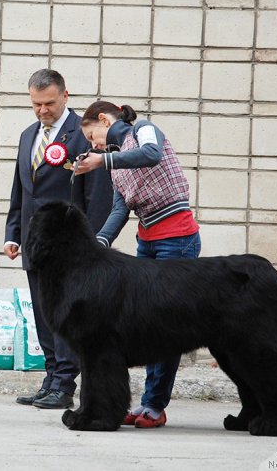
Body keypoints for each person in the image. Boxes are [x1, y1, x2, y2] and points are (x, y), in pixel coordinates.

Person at [75, 100, 201, 428]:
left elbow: (151, 155)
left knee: (167, 326)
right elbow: (120, 209)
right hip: (147, 242)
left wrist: (102, 159)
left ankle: (155, 406)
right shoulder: (114, 162)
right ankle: (147, 403)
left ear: (104, 119)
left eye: (92, 137)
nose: (93, 145)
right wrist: (98, 243)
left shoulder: (144, 129)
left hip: (177, 238)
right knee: (148, 326)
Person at [5, 69, 112, 410]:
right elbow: (21, 191)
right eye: (36, 104)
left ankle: (65, 384)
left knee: (68, 317)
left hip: (71, 249)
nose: (42, 111)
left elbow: (98, 196)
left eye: (49, 103)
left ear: (66, 96)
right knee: (44, 315)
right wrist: (13, 234)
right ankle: (51, 377)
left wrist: (93, 242)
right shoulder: (27, 136)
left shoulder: (83, 136)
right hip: (35, 245)